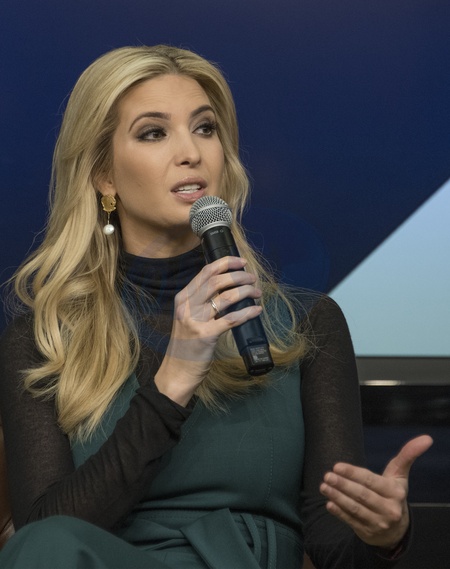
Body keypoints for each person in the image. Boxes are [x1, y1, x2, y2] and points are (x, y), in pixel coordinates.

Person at [0, 44, 432, 569]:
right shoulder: (44, 340)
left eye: (205, 128)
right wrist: (171, 384)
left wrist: (384, 535)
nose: (191, 152)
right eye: (154, 133)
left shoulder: (305, 324)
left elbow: (333, 542)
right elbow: (42, 540)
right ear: (103, 176)